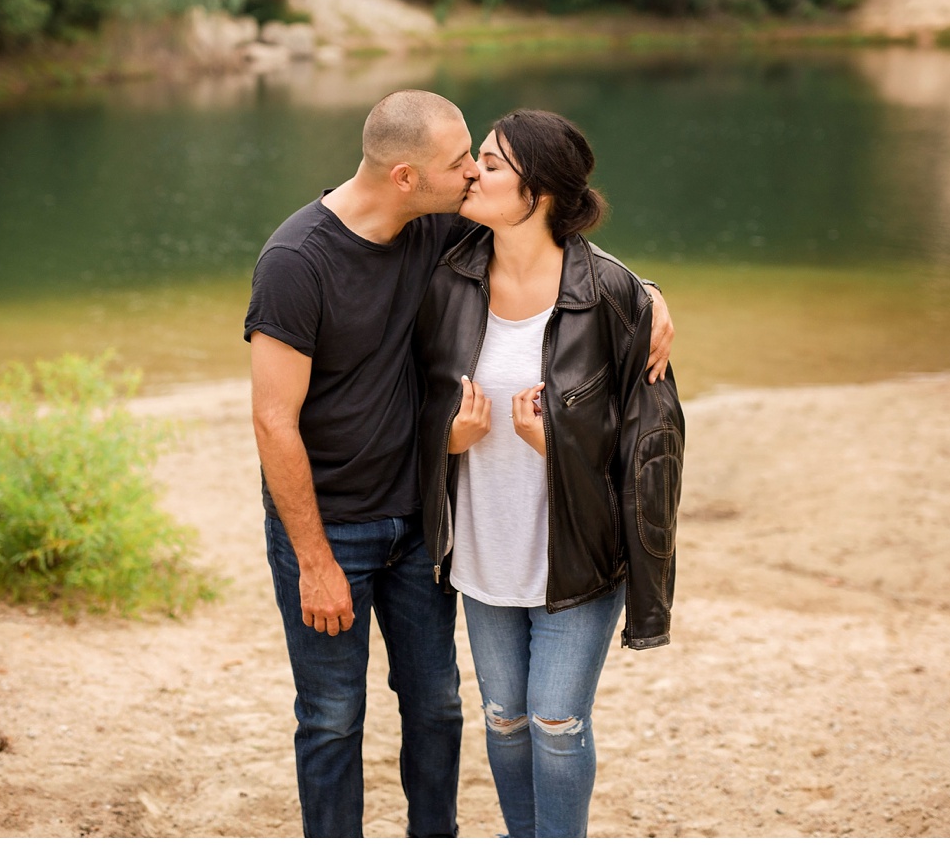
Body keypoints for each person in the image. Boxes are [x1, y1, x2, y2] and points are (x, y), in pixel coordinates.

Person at [245, 90, 675, 838]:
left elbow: (561, 251)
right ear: (408, 178)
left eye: (481, 160)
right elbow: (272, 419)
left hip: (420, 523)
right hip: (334, 526)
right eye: (460, 163)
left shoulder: (439, 228)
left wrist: (649, 294)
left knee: (441, 706)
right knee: (333, 716)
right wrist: (313, 558)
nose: (471, 176)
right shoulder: (299, 260)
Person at [414, 109, 684, 838]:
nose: (473, 170)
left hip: (581, 555)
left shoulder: (615, 297)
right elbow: (408, 406)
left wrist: (554, 444)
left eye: (492, 164)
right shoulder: (446, 277)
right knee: (504, 718)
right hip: (483, 549)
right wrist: (448, 439)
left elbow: (650, 454)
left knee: (556, 720)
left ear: (542, 193)